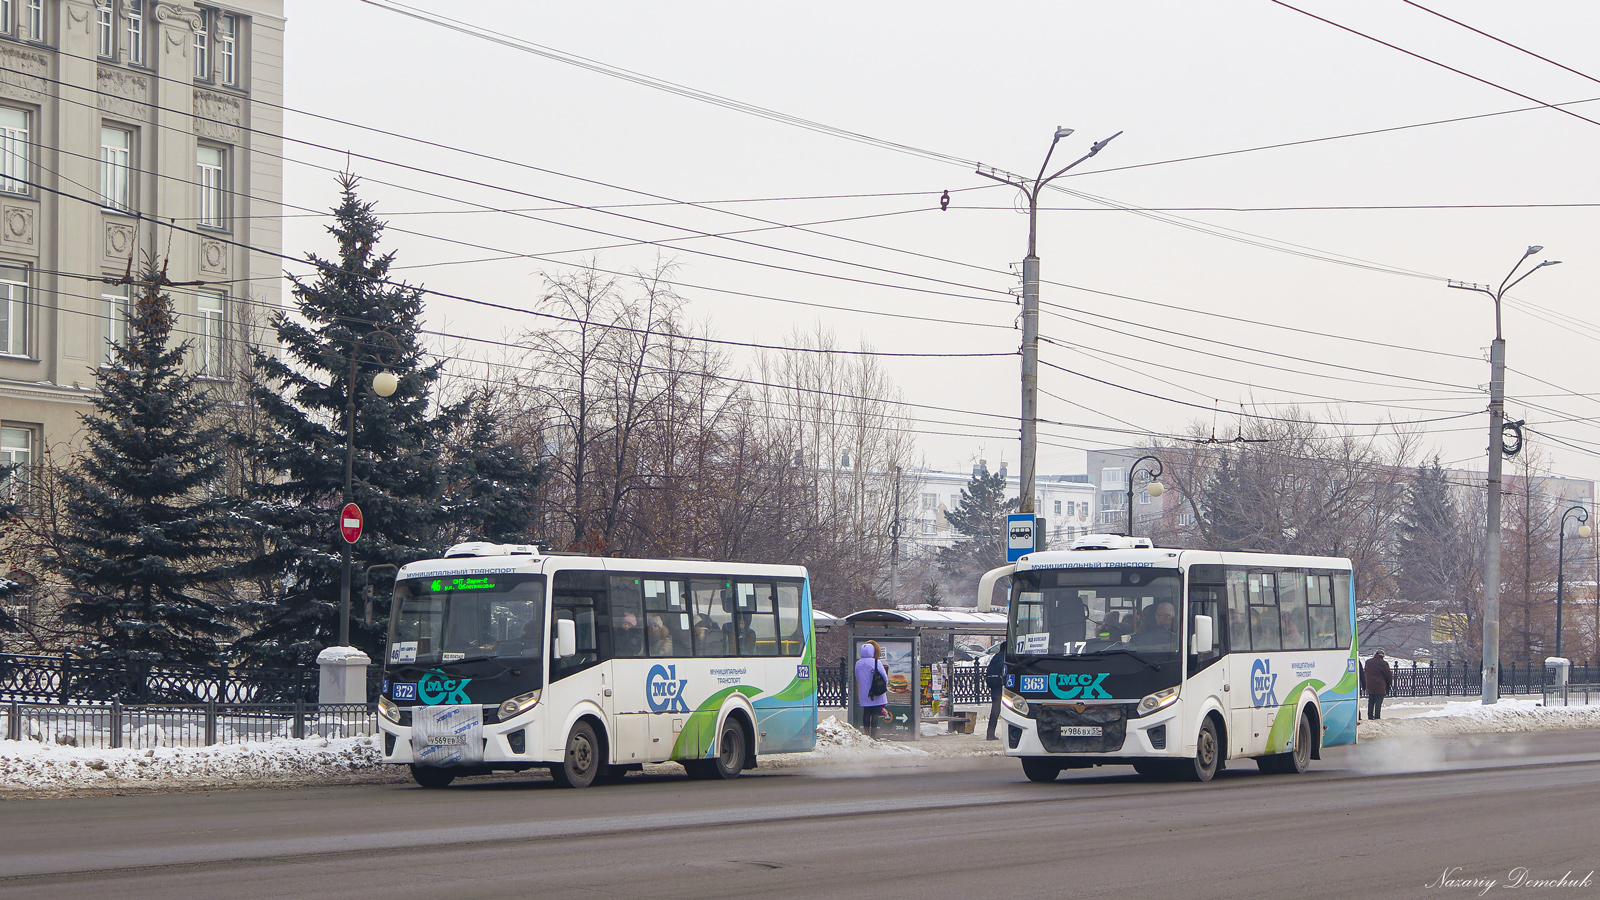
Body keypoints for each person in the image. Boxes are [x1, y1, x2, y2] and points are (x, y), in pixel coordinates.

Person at [855, 642, 890, 738]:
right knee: (875, 713)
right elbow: (884, 677)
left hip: (864, 692)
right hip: (875, 691)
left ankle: (866, 734)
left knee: (866, 712)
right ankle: (873, 735)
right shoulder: (876, 662)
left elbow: (857, 677)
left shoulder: (858, 663)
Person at [984, 640, 1008, 741]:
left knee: (995, 710)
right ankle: (995, 734)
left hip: (994, 686)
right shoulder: (1004, 659)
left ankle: (990, 733)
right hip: (1001, 687)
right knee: (1006, 710)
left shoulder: (995, 658)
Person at [1362, 649, 1393, 720]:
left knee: (1371, 702)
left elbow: (1366, 671)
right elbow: (1388, 675)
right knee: (1378, 703)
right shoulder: (1384, 664)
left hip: (1370, 686)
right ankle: (1377, 717)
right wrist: (1389, 684)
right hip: (1380, 686)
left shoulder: (1368, 662)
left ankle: (1370, 716)